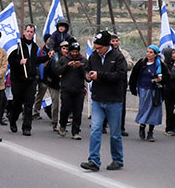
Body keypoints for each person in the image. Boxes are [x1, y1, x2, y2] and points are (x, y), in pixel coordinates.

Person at [80, 30, 127, 172]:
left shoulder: (118, 57)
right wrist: (87, 76)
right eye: (96, 47)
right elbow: (86, 69)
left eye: (100, 47)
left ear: (107, 46)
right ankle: (93, 160)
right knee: (95, 130)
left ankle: (117, 160)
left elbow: (119, 75)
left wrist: (99, 75)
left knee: (115, 133)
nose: (97, 50)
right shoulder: (94, 56)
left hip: (114, 100)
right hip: (98, 100)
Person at [8, 24, 51, 136]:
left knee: (29, 104)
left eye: (31, 32)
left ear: (33, 33)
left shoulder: (35, 47)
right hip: (18, 79)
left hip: (30, 80)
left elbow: (36, 60)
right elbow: (10, 60)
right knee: (17, 103)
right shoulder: (17, 46)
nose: (29, 33)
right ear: (24, 32)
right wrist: (19, 62)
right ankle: (12, 120)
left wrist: (48, 57)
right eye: (27, 31)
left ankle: (27, 127)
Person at [129, 45, 164, 142]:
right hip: (143, 89)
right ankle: (142, 125)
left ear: (155, 54)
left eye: (151, 52)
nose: (148, 54)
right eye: (147, 52)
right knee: (144, 109)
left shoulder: (159, 64)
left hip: (155, 91)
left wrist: (160, 80)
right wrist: (133, 88)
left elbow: (166, 77)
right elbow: (134, 75)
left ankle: (150, 132)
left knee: (154, 110)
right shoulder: (141, 63)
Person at [56, 41, 87, 139]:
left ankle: (76, 131)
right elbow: (57, 71)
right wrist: (67, 66)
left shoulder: (83, 60)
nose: (74, 54)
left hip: (79, 89)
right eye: (73, 51)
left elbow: (87, 74)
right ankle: (62, 125)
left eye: (76, 52)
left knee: (78, 111)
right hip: (66, 89)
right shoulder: (63, 59)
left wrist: (80, 67)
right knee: (65, 109)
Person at [109, 34, 133, 136]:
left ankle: (121, 127)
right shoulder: (106, 53)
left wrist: (120, 63)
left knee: (121, 104)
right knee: (106, 103)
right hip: (108, 81)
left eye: (116, 41)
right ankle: (103, 124)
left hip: (121, 81)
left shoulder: (124, 53)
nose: (115, 43)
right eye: (113, 41)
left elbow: (130, 64)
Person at [161, 47, 175, 137]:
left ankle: (172, 125)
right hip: (168, 90)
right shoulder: (164, 65)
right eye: (173, 53)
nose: (174, 55)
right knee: (169, 110)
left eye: (174, 53)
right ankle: (169, 128)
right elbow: (170, 76)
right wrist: (174, 67)